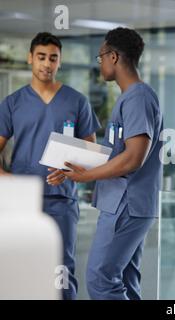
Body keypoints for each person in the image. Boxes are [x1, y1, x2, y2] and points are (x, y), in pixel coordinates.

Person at [61, 27, 163, 300]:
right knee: (125, 281)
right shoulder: (129, 98)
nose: (100, 64)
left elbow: (133, 158)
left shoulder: (138, 97)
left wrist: (88, 175)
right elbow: (119, 152)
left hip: (127, 205)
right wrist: (74, 162)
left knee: (100, 278)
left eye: (100, 57)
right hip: (123, 204)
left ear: (114, 57)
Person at [0, 32, 100, 300]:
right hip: (22, 202)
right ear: (30, 58)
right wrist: (7, 178)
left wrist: (72, 169)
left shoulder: (76, 101)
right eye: (41, 57)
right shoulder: (12, 103)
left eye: (52, 58)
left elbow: (91, 151)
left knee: (62, 269)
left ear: (60, 62)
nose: (46, 63)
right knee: (20, 267)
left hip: (62, 201)